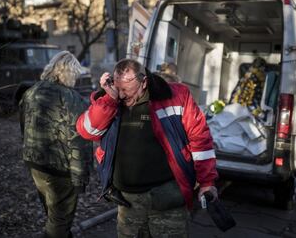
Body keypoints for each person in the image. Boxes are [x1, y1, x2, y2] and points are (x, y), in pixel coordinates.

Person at [76, 58, 218, 237]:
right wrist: (109, 99)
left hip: (168, 197)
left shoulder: (176, 96)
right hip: (128, 202)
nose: (121, 95)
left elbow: (200, 139)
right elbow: (87, 131)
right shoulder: (111, 98)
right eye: (118, 89)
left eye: (126, 90)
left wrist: (207, 182)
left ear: (143, 82)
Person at [20, 51, 93, 238]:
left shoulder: (31, 91)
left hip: (35, 164)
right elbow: (79, 140)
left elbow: (24, 127)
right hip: (59, 169)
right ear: (68, 73)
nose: (76, 79)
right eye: (75, 74)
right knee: (60, 219)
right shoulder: (71, 98)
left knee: (52, 213)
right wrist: (80, 178)